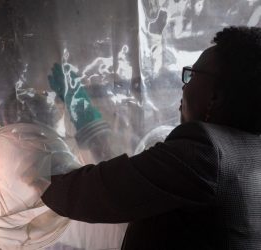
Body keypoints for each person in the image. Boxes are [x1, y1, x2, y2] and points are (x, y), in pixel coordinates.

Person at [41, 26, 261, 249]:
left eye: (192, 75)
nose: (184, 86)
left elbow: (96, 191)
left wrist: (30, 162)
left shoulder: (204, 152)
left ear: (215, 94)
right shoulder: (251, 152)